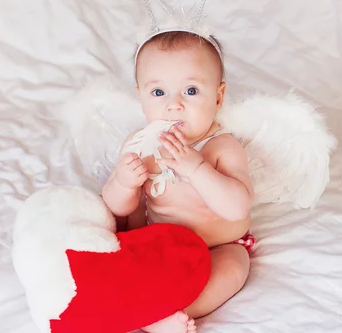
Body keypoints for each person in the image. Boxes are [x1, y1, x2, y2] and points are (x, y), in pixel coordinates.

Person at [101, 30, 256, 333]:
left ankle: (173, 311)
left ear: (218, 97)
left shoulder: (221, 147)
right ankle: (138, 303)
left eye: (191, 91)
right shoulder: (139, 144)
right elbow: (118, 208)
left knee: (235, 267)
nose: (174, 105)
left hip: (217, 246)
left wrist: (196, 168)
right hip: (158, 243)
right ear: (141, 98)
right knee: (121, 258)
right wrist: (123, 183)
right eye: (159, 93)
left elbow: (237, 208)